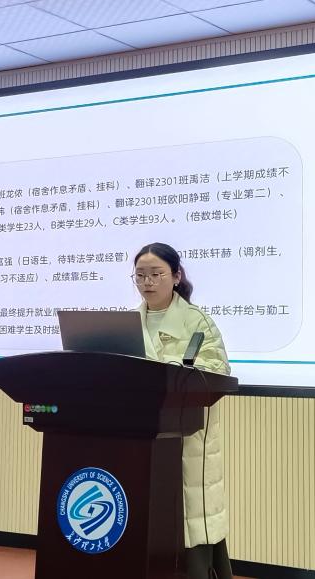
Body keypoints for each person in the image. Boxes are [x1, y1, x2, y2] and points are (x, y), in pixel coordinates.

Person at [132, 243, 233, 579]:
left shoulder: (195, 320)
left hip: (188, 433)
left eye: (156, 274)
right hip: (141, 430)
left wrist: (169, 367)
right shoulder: (129, 322)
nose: (147, 282)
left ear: (176, 276)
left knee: (190, 516)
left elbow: (217, 368)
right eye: (140, 275)